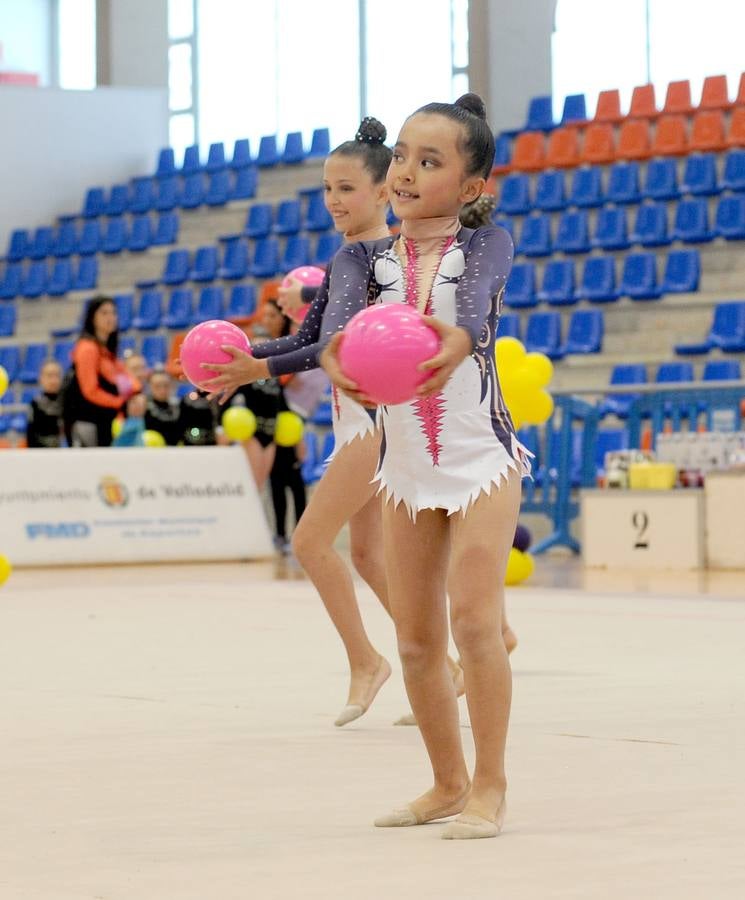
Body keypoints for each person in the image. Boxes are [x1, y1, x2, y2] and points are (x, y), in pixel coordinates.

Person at [201, 118, 463, 727]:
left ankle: (367, 661)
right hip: (364, 421)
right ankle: (441, 666)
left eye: (346, 188)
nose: (333, 201)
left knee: (310, 541)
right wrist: (254, 357)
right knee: (368, 554)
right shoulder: (364, 256)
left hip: (373, 424)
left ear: (381, 193)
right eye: (326, 188)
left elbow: (329, 346)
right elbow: (310, 337)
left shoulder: (363, 257)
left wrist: (253, 370)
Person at [320, 94, 531, 838]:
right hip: (405, 466)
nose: (406, 171)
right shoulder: (358, 258)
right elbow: (337, 324)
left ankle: (490, 787)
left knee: (475, 622)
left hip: (480, 459)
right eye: (403, 155)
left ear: (472, 187)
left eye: (429, 161)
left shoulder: (485, 245)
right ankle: (445, 782)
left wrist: (456, 339)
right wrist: (325, 355)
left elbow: (472, 313)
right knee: (415, 640)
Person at [64, 296, 138, 447]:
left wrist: (135, 395)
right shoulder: (88, 348)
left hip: (104, 421)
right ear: (92, 318)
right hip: (87, 421)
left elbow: (127, 379)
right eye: (104, 313)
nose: (110, 318)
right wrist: (120, 402)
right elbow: (90, 390)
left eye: (113, 313)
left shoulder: (107, 351)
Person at [26, 360, 63, 448]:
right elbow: (31, 437)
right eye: (49, 376)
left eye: (57, 375)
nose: (53, 380)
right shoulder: (36, 404)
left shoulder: (67, 403)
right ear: (41, 378)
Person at [145, 369, 182, 446]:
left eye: (166, 385)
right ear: (150, 386)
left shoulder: (180, 407)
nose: (162, 390)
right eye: (157, 386)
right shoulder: (144, 409)